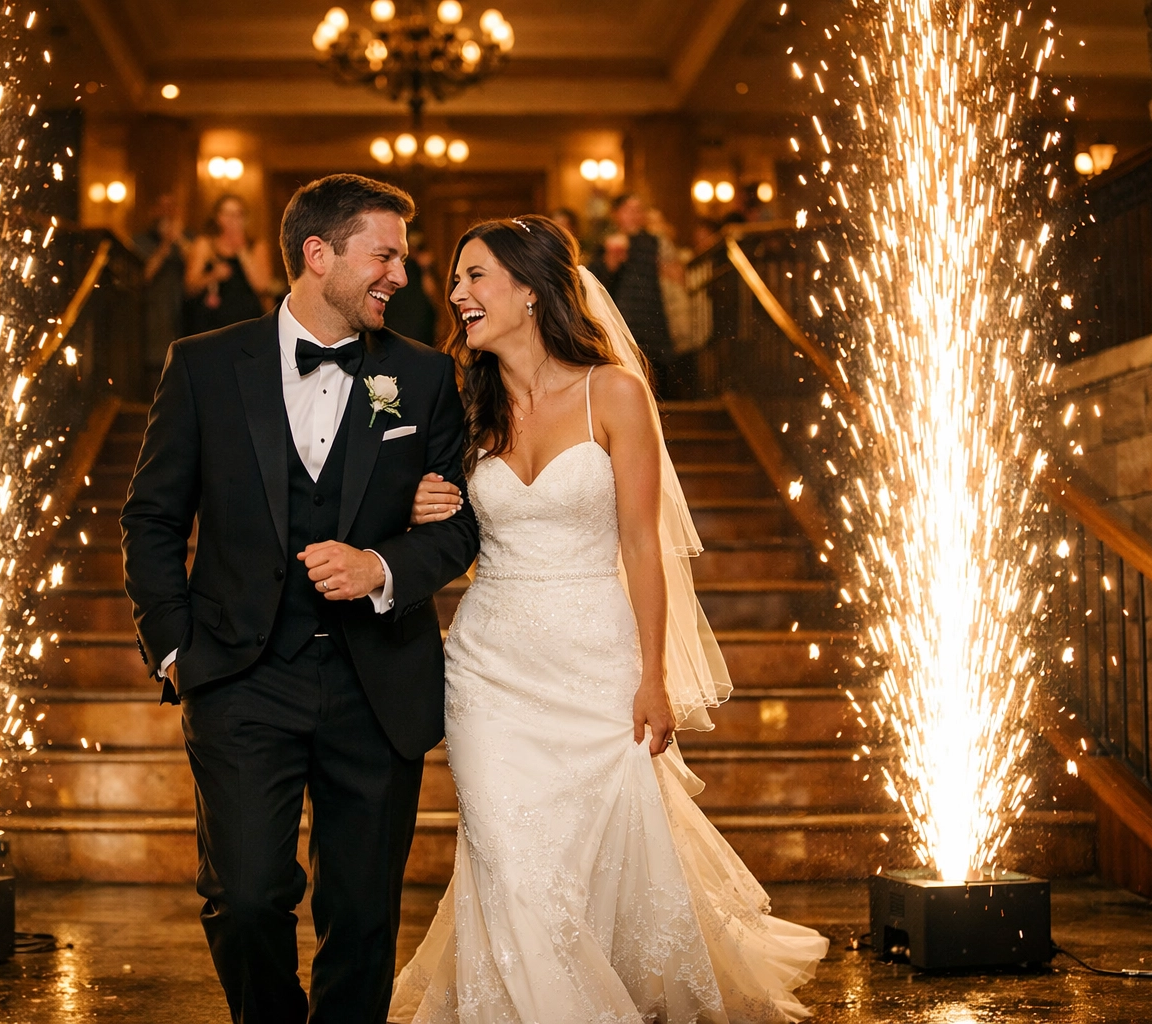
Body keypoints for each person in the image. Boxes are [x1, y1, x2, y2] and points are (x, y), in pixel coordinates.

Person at [389, 215, 828, 1023]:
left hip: (595, 661)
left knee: (580, 864)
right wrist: (419, 504)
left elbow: (640, 545)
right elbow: (450, 528)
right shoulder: (466, 406)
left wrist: (653, 676)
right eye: (457, 280)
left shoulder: (614, 393)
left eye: (474, 276)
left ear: (528, 290)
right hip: (488, 668)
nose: (456, 294)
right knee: (506, 858)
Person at [120, 174, 480, 1024]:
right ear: (318, 254)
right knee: (245, 898)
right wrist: (174, 647)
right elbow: (152, 516)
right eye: (383, 255)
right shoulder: (204, 365)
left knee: (361, 916)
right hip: (242, 677)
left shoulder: (424, 378)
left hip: (377, 684)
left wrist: (381, 569)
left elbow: (459, 525)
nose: (401, 272)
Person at [591, 193, 678, 398]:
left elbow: (672, 272)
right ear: (616, 214)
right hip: (622, 310)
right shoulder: (606, 243)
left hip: (651, 308)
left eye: (639, 210)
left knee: (656, 365)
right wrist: (610, 263)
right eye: (629, 210)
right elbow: (595, 279)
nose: (635, 215)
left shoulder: (653, 242)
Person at [183, 193, 274, 334]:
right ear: (218, 217)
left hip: (248, 325)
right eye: (228, 214)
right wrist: (213, 275)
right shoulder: (205, 244)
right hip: (211, 326)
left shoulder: (256, 246)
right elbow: (189, 286)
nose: (232, 220)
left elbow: (262, 286)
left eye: (238, 215)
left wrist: (242, 251)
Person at [133, 193, 191, 388]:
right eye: (163, 207)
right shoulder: (142, 240)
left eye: (172, 207)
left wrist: (179, 240)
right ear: (154, 210)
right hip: (154, 315)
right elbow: (143, 275)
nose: (168, 212)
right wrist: (165, 244)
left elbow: (199, 265)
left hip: (185, 313)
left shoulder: (189, 238)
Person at [383, 229, 439, 344]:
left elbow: (431, 292)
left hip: (418, 318)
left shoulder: (421, 266)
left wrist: (426, 268)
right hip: (396, 317)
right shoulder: (396, 264)